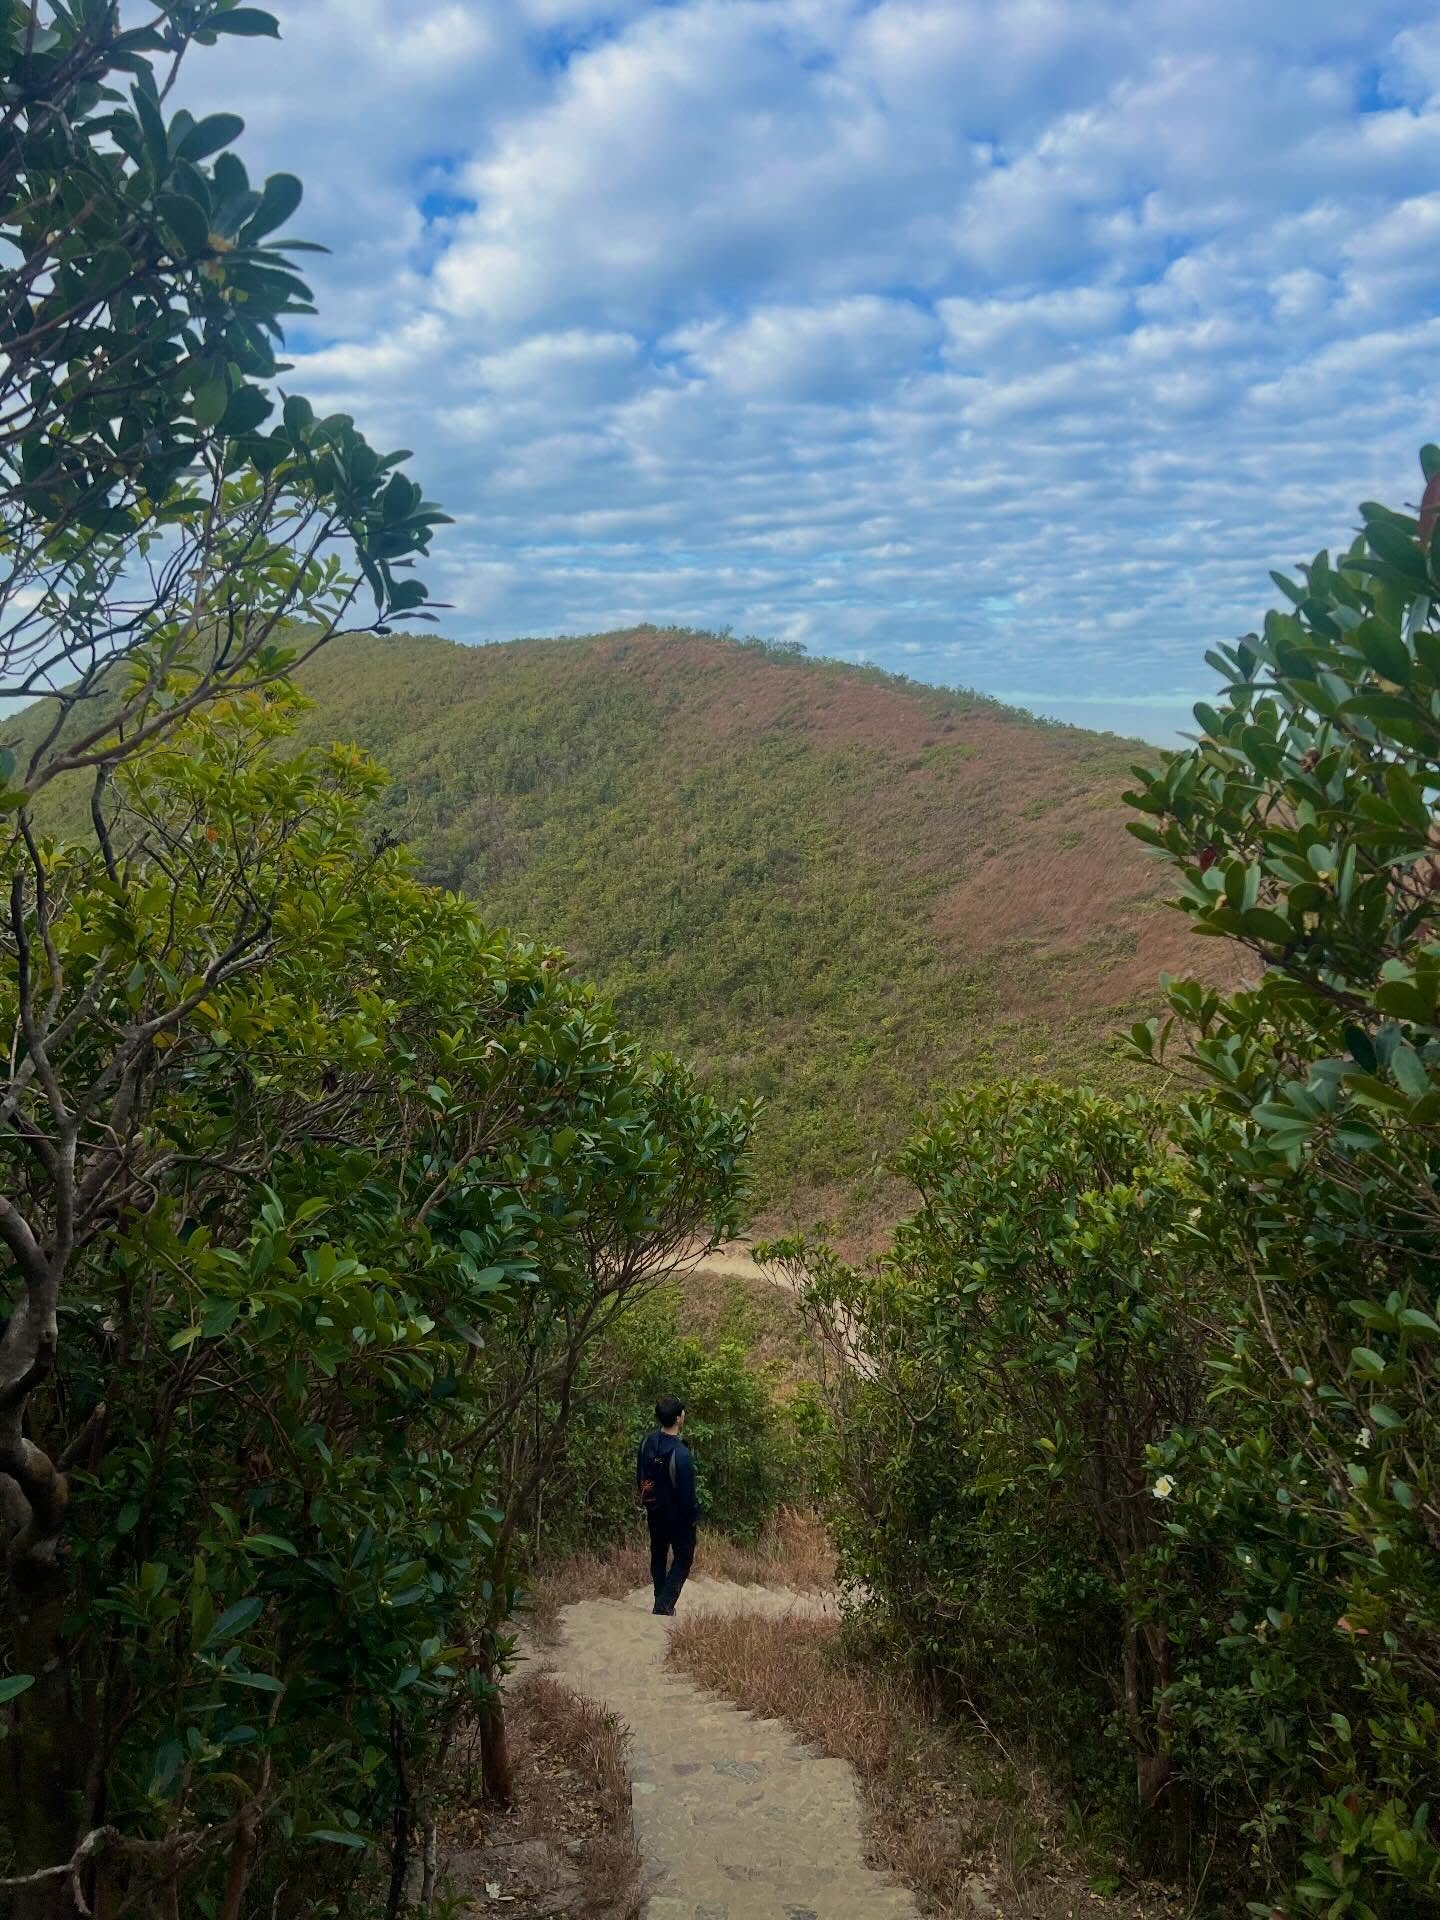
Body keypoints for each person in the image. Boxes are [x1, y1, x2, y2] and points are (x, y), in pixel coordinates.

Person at [636, 1394, 697, 1616]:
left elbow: (639, 1475)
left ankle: (659, 1596)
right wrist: (692, 1518)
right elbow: (687, 1494)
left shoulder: (646, 1443)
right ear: (679, 1418)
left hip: (654, 1510)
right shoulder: (681, 1454)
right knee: (684, 1557)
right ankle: (663, 1605)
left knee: (658, 1553)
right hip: (678, 1516)